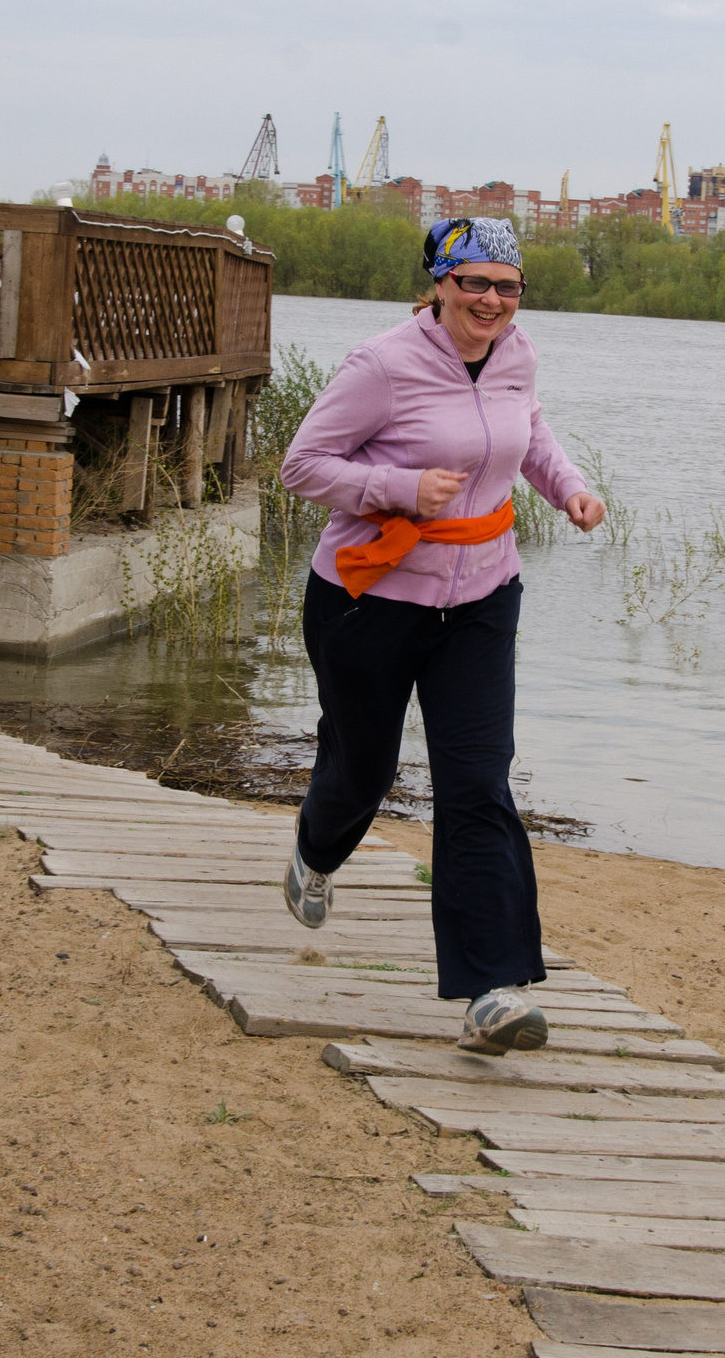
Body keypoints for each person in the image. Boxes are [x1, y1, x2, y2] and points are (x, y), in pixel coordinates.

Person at [278, 217, 605, 1055]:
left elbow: (529, 433)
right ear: (439, 284)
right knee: (363, 768)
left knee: (477, 782)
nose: (492, 300)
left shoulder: (518, 355)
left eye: (508, 286)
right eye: (475, 283)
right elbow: (303, 465)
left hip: (484, 596)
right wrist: (395, 487)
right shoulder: (382, 365)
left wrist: (569, 488)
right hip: (369, 595)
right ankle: (315, 853)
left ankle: (492, 991)